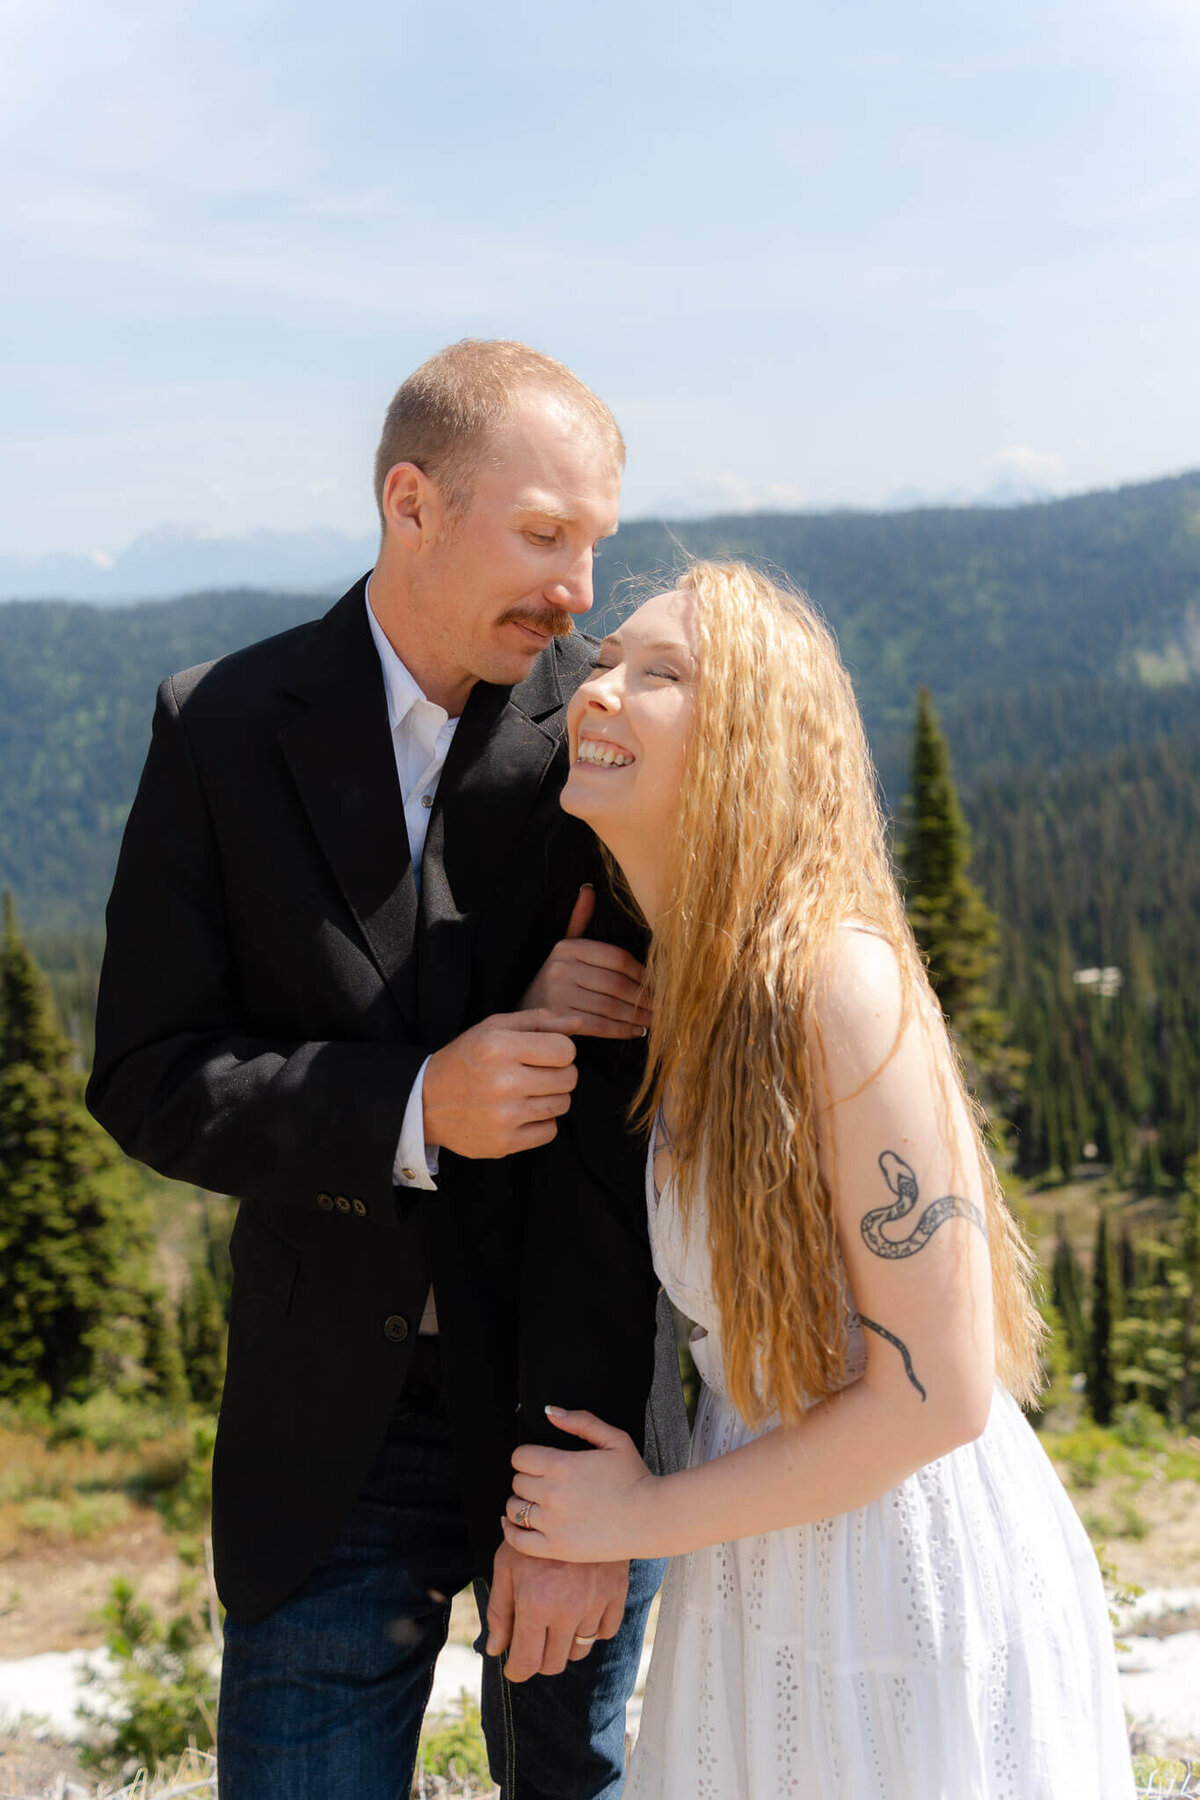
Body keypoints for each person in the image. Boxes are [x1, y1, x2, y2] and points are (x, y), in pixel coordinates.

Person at [85, 339, 688, 1800]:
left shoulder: (604, 728)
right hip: (325, 1435)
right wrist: (418, 1102)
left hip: (568, 1408)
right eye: (544, 535)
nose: (579, 592)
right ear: (410, 503)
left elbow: (625, 1135)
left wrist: (581, 1499)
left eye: (594, 542)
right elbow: (151, 1073)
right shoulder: (220, 726)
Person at [499, 561, 1137, 1799]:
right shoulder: (698, 989)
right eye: (607, 660)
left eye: (660, 673)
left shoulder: (836, 986)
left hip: (897, 1578)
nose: (597, 691)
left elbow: (939, 1395)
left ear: (750, 743)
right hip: (763, 1565)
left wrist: (634, 1520)